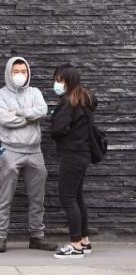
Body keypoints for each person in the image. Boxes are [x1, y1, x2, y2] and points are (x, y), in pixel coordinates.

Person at [0, 56, 57, 253]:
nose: (20, 75)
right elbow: (5, 120)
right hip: (10, 150)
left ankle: (37, 236)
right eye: (16, 72)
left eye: (23, 71)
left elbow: (43, 111)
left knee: (38, 197)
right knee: (5, 195)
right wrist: (29, 116)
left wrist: (18, 111)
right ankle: (0, 235)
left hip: (35, 151)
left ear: (28, 73)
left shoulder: (35, 92)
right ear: (9, 73)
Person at [50, 64, 97, 260]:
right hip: (83, 154)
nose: (56, 84)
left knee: (67, 198)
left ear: (68, 82)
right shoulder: (84, 98)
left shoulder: (69, 102)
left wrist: (54, 118)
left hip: (73, 154)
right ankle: (84, 241)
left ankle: (75, 245)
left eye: (60, 80)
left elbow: (57, 129)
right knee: (77, 197)